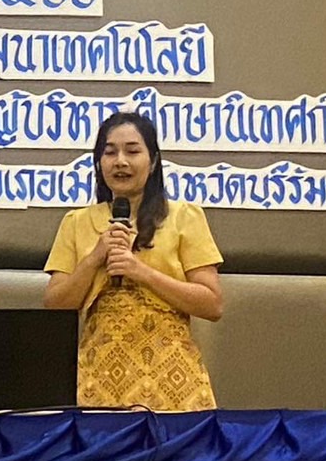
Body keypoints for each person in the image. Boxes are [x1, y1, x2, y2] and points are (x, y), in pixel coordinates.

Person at [42, 110, 224, 410]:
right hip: (97, 377)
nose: (120, 161)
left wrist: (141, 271)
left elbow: (212, 305)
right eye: (110, 152)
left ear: (153, 162)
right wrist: (94, 259)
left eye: (132, 151)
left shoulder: (185, 217)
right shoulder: (76, 222)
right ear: (98, 163)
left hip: (173, 379)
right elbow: (55, 306)